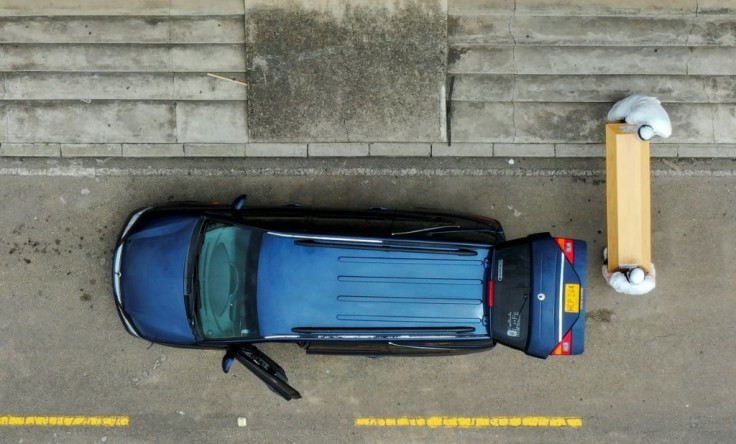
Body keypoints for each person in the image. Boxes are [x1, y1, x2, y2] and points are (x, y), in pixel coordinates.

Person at [607, 94, 672, 141]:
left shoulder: (666, 132)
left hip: (653, 104)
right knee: (611, 117)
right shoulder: (636, 115)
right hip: (635, 102)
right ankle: (620, 103)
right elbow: (624, 123)